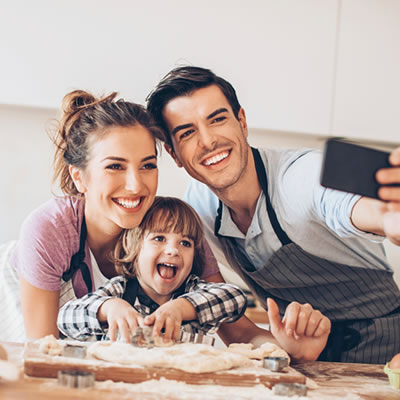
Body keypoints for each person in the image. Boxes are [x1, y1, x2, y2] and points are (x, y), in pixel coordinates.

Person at [146, 65, 400, 364]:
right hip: (307, 360)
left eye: (217, 119)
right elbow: (229, 321)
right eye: (187, 132)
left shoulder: (300, 177)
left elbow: (365, 209)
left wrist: (388, 218)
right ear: (173, 153)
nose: (208, 141)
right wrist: (287, 352)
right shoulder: (198, 210)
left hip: (387, 347)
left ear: (241, 122)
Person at [0, 90, 181, 341]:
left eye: (148, 165)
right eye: (115, 166)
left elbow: (235, 323)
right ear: (79, 176)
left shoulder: (170, 227)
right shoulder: (49, 230)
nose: (136, 186)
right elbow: (44, 351)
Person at [57, 196, 248, 342]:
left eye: (185, 243)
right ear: (134, 248)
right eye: (159, 239)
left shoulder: (193, 289)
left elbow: (235, 297)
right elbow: (65, 318)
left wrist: (182, 308)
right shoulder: (119, 290)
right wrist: (108, 308)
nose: (173, 250)